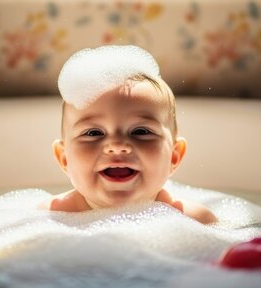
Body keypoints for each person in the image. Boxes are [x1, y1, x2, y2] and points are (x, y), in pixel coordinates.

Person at [44, 45, 218, 224]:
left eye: (141, 132)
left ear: (174, 156)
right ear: (64, 159)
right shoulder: (47, 219)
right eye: (93, 133)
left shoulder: (194, 221)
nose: (117, 145)